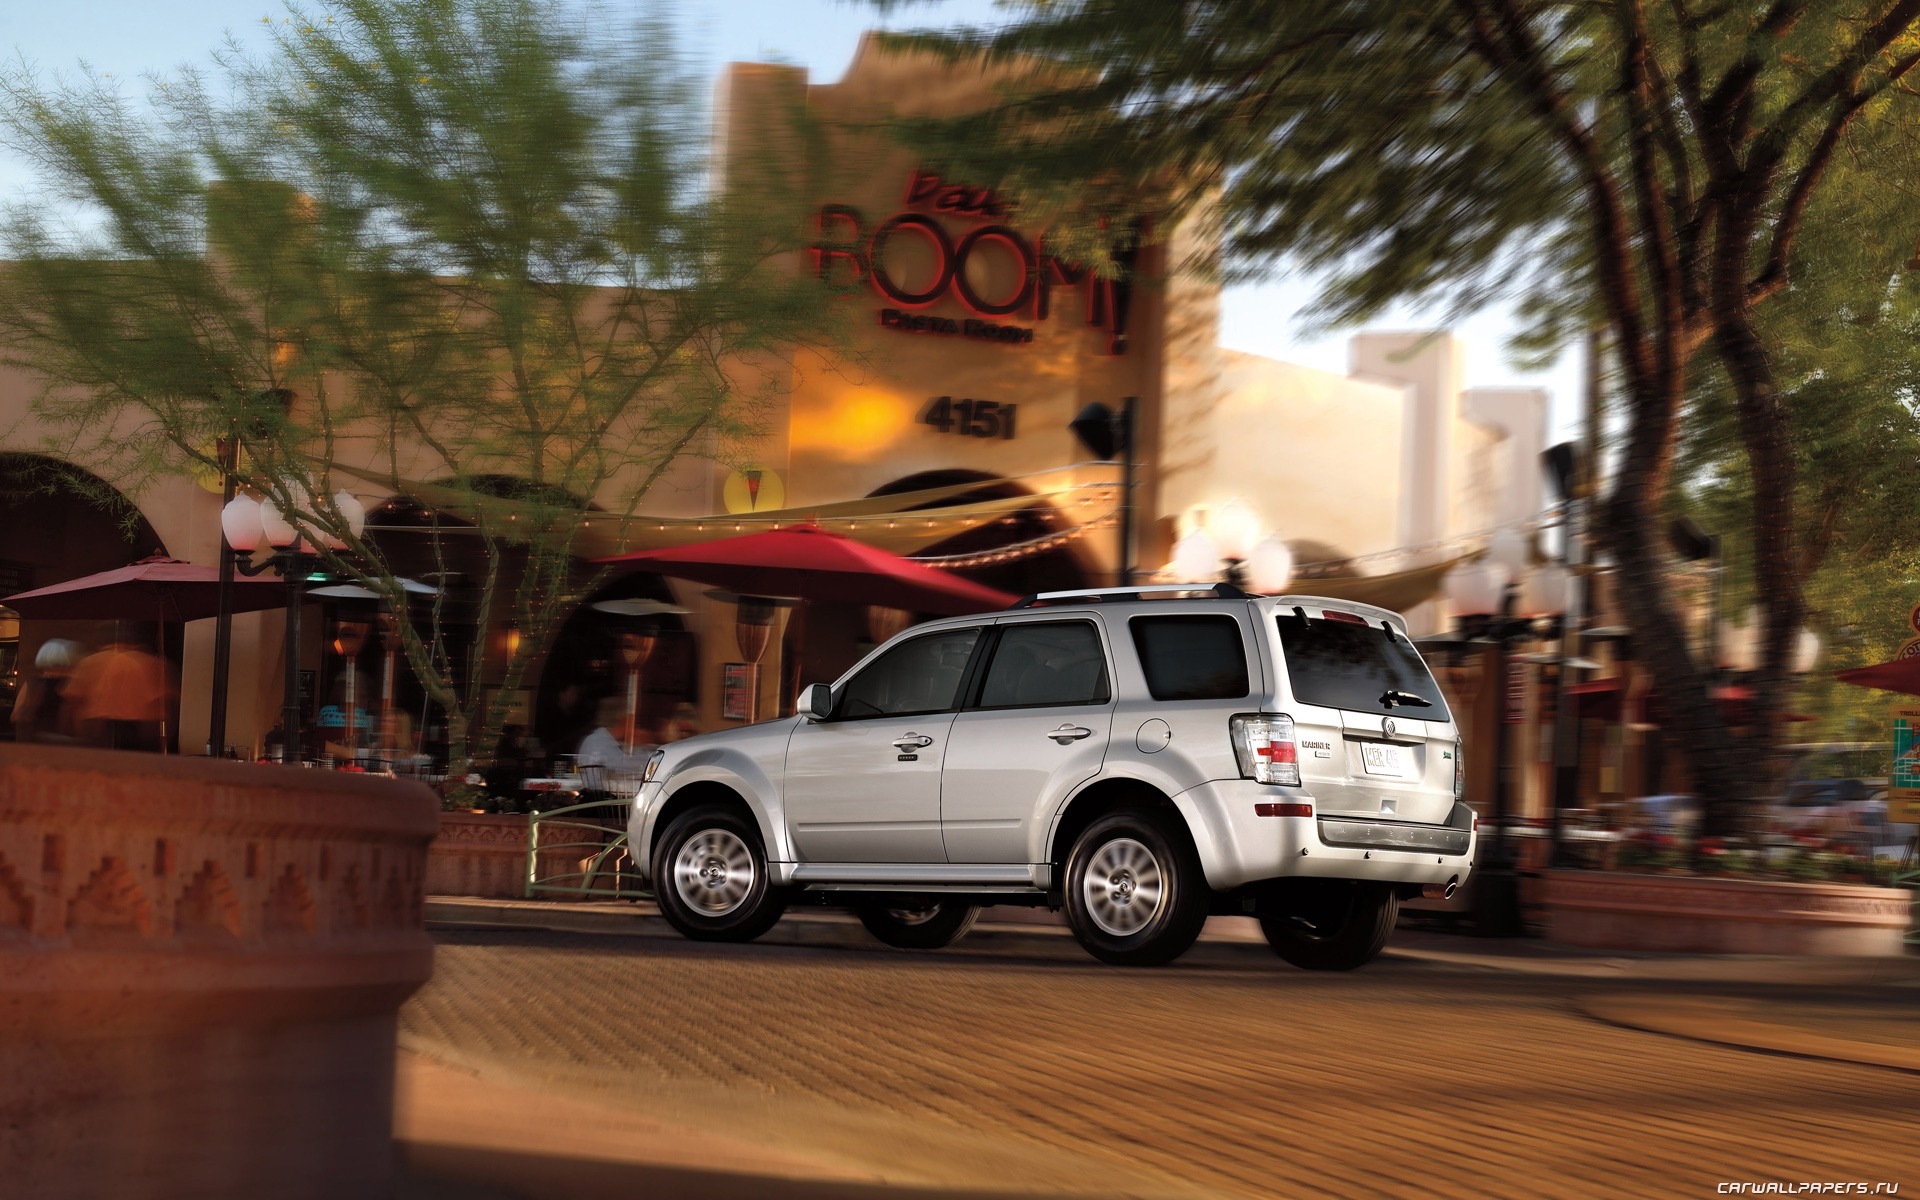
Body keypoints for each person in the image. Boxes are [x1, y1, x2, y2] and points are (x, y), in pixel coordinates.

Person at [64, 634, 174, 752]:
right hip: (135, 725)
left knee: (97, 763)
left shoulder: (89, 662)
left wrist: (71, 728)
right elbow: (159, 702)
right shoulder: (148, 662)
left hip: (97, 723)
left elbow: (74, 699)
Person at [12, 639, 82, 744]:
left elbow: (16, 715)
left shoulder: (33, 683)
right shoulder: (72, 683)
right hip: (63, 741)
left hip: (34, 739)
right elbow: (74, 719)